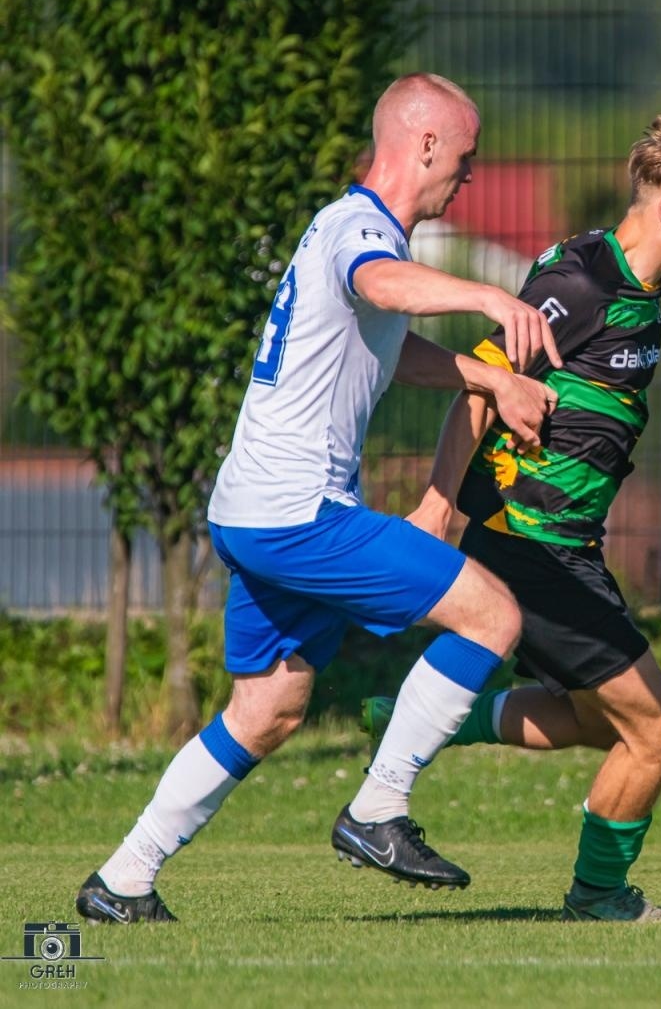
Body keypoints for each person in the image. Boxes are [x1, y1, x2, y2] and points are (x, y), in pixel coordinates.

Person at [75, 73, 564, 924]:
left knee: (268, 707)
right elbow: (380, 287)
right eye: (466, 156)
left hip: (252, 511)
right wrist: (488, 296)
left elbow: (385, 339)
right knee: (493, 617)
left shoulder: (348, 227)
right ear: (422, 147)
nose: (470, 176)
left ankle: (123, 876)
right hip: (300, 514)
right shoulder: (362, 231)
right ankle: (378, 808)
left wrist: (484, 374)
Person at [365, 100, 661, 923]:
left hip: (567, 547)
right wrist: (439, 505)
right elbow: (479, 385)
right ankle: (600, 894)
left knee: (590, 719)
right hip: (528, 544)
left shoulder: (643, 286)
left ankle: (436, 713)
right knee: (657, 731)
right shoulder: (581, 282)